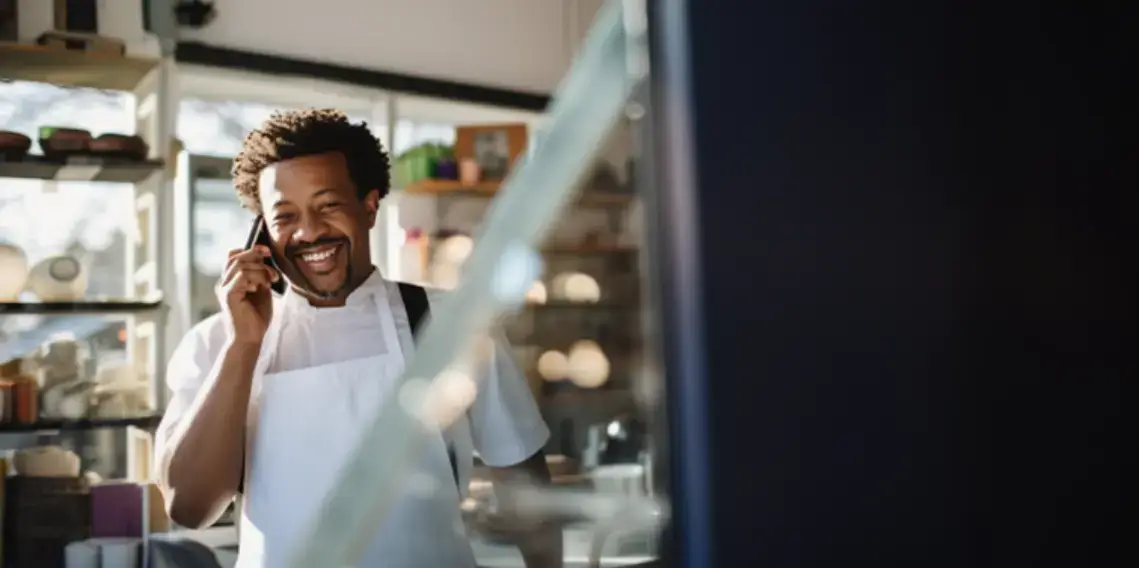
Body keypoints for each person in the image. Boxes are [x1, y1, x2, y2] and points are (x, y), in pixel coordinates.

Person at [155, 109, 562, 568]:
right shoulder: (218, 343)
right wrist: (242, 346)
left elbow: (528, 494)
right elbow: (190, 507)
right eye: (284, 216)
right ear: (262, 234)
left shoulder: (450, 322)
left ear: (369, 206)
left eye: (327, 204)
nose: (308, 232)